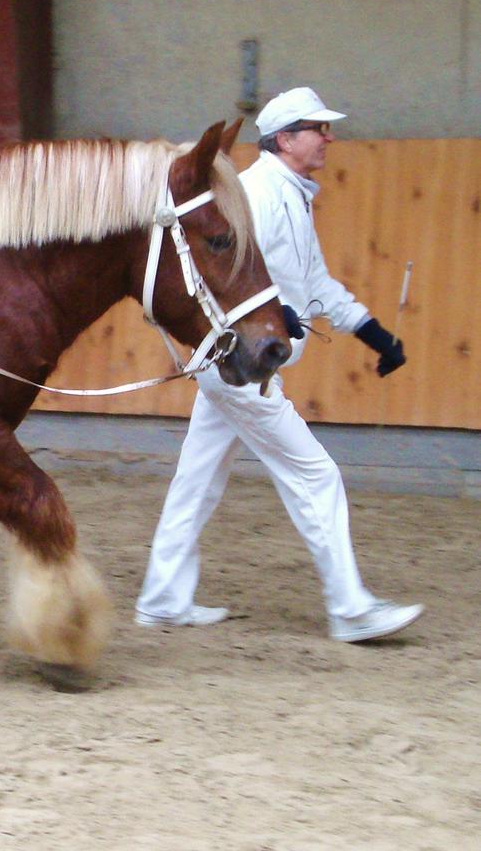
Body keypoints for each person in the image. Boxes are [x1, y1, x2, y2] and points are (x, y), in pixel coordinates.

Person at [134, 87, 423, 643]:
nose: (329, 138)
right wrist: (277, 316)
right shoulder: (257, 195)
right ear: (286, 139)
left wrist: (374, 334)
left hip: (236, 366)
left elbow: (314, 284)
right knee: (315, 474)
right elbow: (223, 276)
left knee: (197, 481)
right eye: (319, 129)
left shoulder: (293, 196)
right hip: (238, 366)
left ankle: (163, 599)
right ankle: (350, 608)